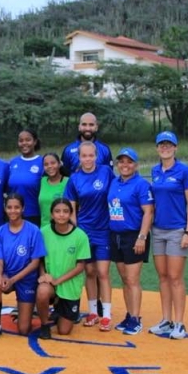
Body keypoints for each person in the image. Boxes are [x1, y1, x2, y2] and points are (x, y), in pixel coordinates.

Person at [149, 131, 188, 340]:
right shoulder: (155, 170)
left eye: (169, 144)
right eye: (162, 144)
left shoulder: (184, 171)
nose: (165, 148)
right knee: (163, 277)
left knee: (176, 277)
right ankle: (166, 320)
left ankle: (179, 323)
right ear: (157, 148)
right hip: (158, 230)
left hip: (178, 229)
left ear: (175, 147)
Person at [64, 141, 113, 331]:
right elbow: (71, 206)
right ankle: (92, 312)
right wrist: (77, 229)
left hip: (104, 230)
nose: (87, 159)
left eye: (91, 155)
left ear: (96, 155)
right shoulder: (74, 178)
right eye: (84, 156)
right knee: (90, 272)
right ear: (79, 157)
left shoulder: (106, 172)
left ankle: (106, 315)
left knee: (103, 273)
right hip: (85, 231)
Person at [108, 148, 154, 336]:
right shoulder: (114, 183)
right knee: (124, 278)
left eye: (129, 162)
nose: (125, 165)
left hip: (134, 235)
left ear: (136, 165)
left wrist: (142, 237)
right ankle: (129, 314)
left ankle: (135, 318)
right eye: (121, 162)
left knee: (133, 279)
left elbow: (148, 212)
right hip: (116, 235)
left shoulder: (141, 184)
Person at [0, 194, 46, 339]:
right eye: (9, 207)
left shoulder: (34, 231)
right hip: (8, 274)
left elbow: (35, 263)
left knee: (24, 329)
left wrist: (13, 280)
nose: (13, 211)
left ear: (23, 209)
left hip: (27, 279)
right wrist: (0, 276)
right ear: (5, 209)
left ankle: (25, 311)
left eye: (17, 207)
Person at [36, 198, 91, 339]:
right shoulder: (43, 233)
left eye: (66, 211)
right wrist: (43, 276)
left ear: (71, 214)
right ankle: (44, 324)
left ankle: (59, 309)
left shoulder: (80, 236)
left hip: (68, 285)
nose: (61, 215)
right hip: (50, 283)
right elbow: (40, 259)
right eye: (57, 211)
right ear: (52, 214)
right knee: (42, 291)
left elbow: (80, 267)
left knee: (64, 331)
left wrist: (57, 281)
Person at [7, 129, 44, 226]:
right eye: (21, 140)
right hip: (13, 215)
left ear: (35, 142)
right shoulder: (12, 162)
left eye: (28, 140)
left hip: (34, 215)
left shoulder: (43, 162)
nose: (24, 143)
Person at [37, 152, 70, 226]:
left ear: (59, 164)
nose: (49, 166)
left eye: (53, 163)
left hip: (63, 228)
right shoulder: (42, 181)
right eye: (46, 164)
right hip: (44, 228)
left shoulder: (68, 182)